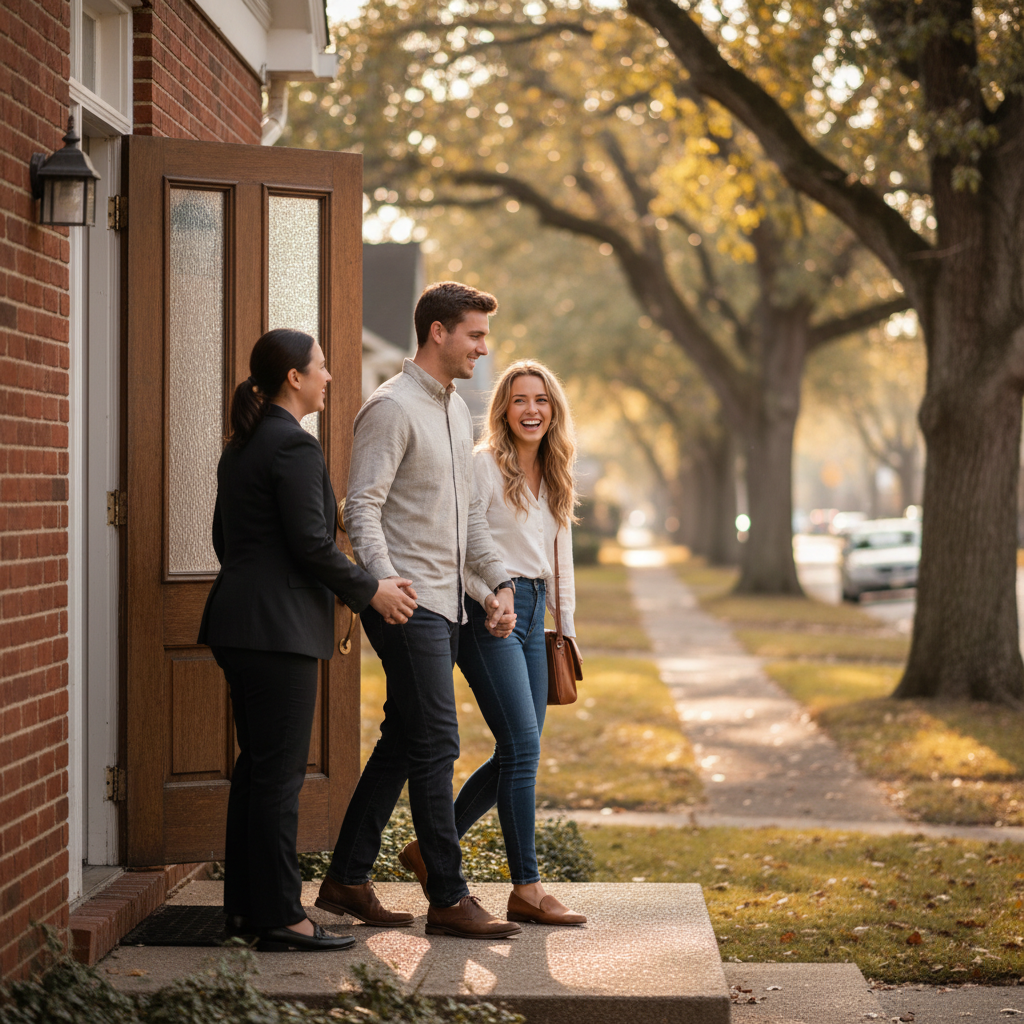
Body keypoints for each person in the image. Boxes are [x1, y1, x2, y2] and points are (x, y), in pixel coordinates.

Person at [197, 328, 418, 952]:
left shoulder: (241, 447)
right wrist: (370, 589)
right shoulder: (292, 446)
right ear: (294, 377)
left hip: (239, 624)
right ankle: (282, 918)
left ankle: (246, 910)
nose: (329, 377)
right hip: (277, 633)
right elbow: (313, 545)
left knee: (257, 772)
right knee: (278, 778)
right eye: (321, 367)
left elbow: (226, 541)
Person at [315, 283, 521, 940]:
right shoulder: (391, 408)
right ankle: (449, 896)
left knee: (405, 741)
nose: (483, 349)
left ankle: (347, 877)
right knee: (439, 741)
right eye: (475, 335)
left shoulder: (456, 413)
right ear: (437, 332)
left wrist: (496, 586)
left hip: (450, 602)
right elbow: (361, 508)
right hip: (408, 605)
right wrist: (381, 581)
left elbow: (468, 526)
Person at [398, 360, 586, 926]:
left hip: (533, 616)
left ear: (554, 411)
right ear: (504, 409)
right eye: (520, 399)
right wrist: (488, 598)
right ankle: (527, 888)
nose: (532, 410)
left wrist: (566, 629)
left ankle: (431, 849)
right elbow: (462, 547)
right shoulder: (482, 467)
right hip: (491, 616)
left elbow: (561, 560)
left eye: (542, 400)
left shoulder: (555, 472)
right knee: (524, 747)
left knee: (516, 751)